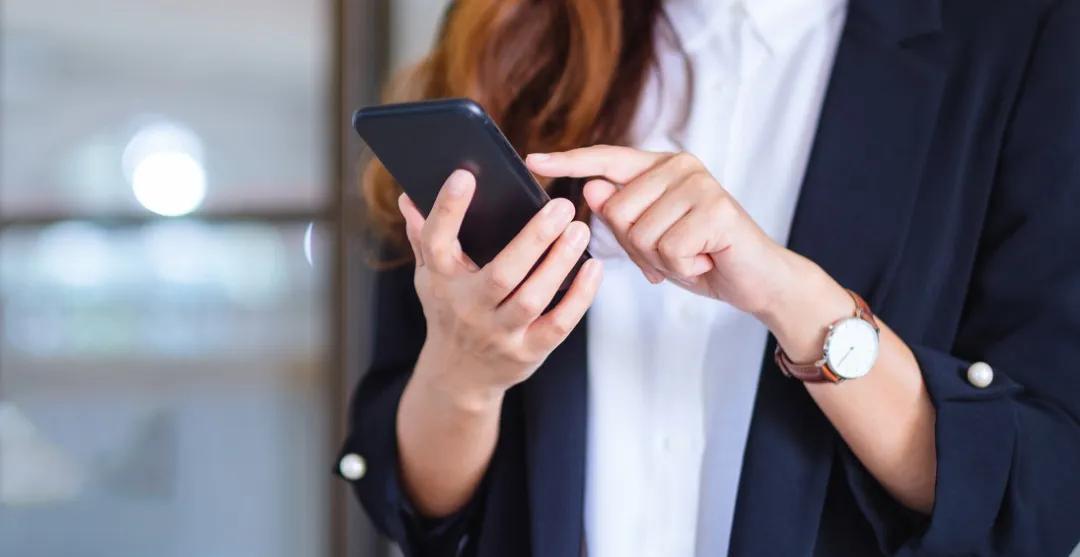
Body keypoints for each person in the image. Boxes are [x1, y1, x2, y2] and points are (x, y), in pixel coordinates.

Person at [336, 0, 1080, 555]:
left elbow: (1039, 486)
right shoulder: (514, 26)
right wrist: (466, 376)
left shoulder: (1021, 36)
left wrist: (796, 301)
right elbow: (414, 503)